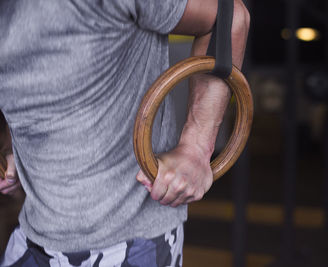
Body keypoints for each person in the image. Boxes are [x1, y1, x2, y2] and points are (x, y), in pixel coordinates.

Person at [0, 0, 250, 265]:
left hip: (129, 243)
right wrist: (16, 148)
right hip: (33, 235)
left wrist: (196, 147)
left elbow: (228, 16)